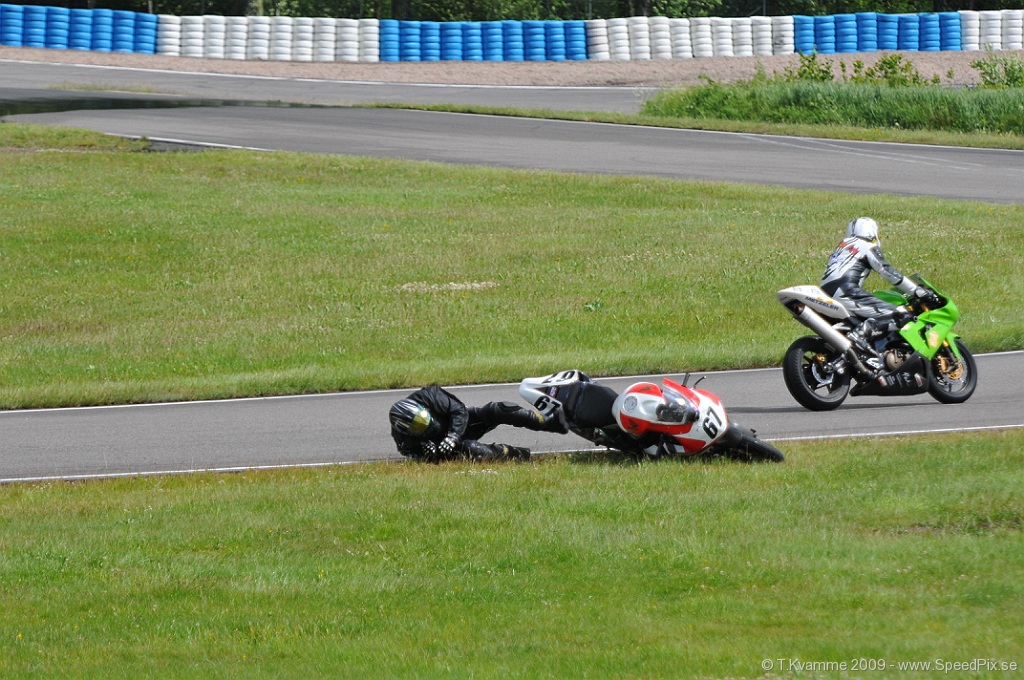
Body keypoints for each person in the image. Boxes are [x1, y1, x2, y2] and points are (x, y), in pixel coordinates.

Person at [821, 217, 939, 368]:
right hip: (846, 291)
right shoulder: (866, 245)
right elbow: (887, 271)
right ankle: (859, 335)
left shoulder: (842, 246)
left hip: (826, 292)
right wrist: (917, 291)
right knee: (902, 315)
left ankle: (863, 349)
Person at [389, 385, 567, 463]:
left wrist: (452, 436)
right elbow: (412, 454)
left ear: (423, 408)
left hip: (460, 426)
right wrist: (428, 453)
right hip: (449, 449)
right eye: (417, 426)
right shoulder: (402, 439)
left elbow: (458, 410)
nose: (424, 424)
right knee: (474, 450)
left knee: (499, 409)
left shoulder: (430, 395)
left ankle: (554, 422)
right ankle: (522, 457)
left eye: (423, 417)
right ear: (406, 430)